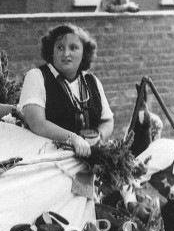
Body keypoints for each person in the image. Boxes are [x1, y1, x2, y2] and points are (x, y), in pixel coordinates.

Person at [20, 24, 115, 158]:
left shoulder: (91, 81)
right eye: (60, 47)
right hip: (47, 160)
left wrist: (99, 137)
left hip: (87, 160)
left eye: (73, 48)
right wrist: (73, 138)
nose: (66, 54)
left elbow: (107, 121)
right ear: (52, 51)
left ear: (84, 53)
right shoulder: (37, 77)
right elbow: (37, 123)